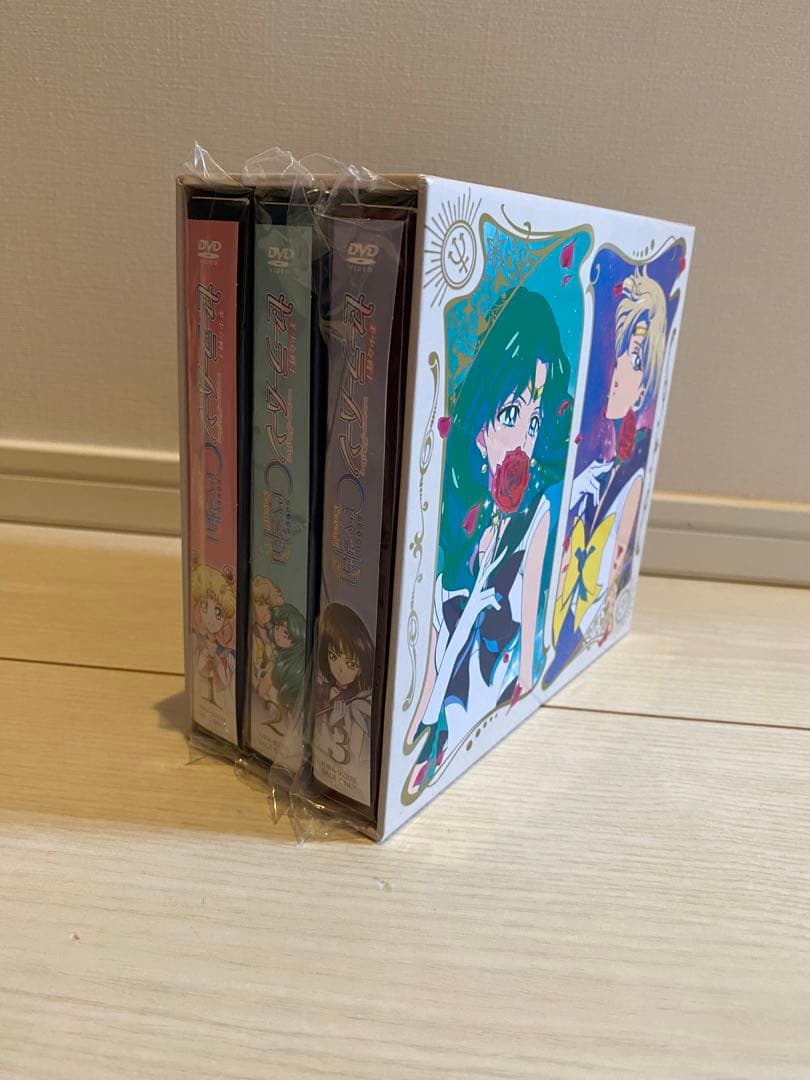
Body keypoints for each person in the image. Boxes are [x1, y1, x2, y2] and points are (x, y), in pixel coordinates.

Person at [404, 286, 573, 798]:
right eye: (511, 415)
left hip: (490, 707)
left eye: (534, 420)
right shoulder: (451, 528)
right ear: (479, 427)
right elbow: (431, 659)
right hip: (440, 724)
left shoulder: (535, 518)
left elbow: (529, 663)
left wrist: (524, 692)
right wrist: (415, 733)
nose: (523, 441)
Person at [545, 266, 668, 683]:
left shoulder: (631, 472)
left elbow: (604, 580)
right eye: (619, 354)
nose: (619, 372)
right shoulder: (595, 452)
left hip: (579, 633)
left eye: (635, 361)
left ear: (646, 385)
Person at [313, 603, 375, 777]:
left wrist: (334, 722)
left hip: (347, 772)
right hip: (322, 768)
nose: (340, 670)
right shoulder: (325, 689)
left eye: (350, 664)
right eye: (333, 657)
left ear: (361, 667)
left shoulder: (359, 705)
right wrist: (331, 718)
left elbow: (354, 756)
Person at [191, 563, 236, 707]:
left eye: (218, 613)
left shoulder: (228, 655)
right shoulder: (196, 640)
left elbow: (229, 687)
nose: (210, 618)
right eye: (204, 606)